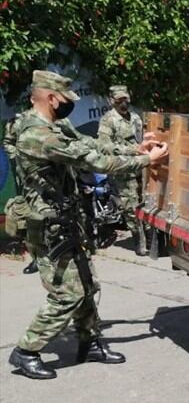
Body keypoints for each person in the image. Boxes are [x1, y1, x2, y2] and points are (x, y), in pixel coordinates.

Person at [6, 70, 168, 380]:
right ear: (52, 98)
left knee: (86, 285)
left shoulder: (55, 125)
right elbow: (95, 161)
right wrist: (148, 161)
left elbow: (92, 145)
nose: (69, 104)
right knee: (67, 294)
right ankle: (26, 350)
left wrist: (136, 149)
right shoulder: (38, 135)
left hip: (68, 221)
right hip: (49, 226)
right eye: (66, 99)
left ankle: (89, 341)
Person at [98, 85, 148, 255]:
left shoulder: (135, 117)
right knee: (131, 207)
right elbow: (104, 146)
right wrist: (131, 150)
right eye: (119, 100)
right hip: (124, 171)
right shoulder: (108, 120)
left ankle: (148, 235)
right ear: (111, 101)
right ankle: (138, 240)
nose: (123, 104)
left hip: (141, 167)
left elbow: (142, 138)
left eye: (125, 99)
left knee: (145, 203)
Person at [3, 114, 39, 274]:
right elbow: (8, 145)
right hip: (28, 190)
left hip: (49, 187)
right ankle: (37, 259)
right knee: (28, 225)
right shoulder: (16, 153)